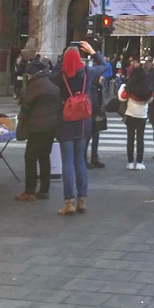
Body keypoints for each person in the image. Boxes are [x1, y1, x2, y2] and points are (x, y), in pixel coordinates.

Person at [53, 41, 107, 215]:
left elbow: (51, 74)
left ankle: (68, 202)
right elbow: (105, 66)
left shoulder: (60, 76)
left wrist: (63, 61)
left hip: (65, 121)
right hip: (83, 122)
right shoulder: (87, 73)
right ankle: (82, 199)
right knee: (80, 161)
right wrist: (92, 52)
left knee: (67, 162)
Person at [14, 61, 60, 201]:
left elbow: (26, 106)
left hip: (37, 125)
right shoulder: (53, 81)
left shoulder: (35, 85)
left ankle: (30, 190)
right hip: (51, 125)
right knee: (44, 157)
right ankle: (44, 190)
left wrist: (21, 122)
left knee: (30, 157)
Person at [118, 66, 153, 169]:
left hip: (130, 114)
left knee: (130, 138)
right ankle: (139, 162)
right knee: (140, 139)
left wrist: (121, 88)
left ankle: (130, 162)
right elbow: (151, 99)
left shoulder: (130, 87)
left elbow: (122, 98)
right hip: (142, 115)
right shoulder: (147, 87)